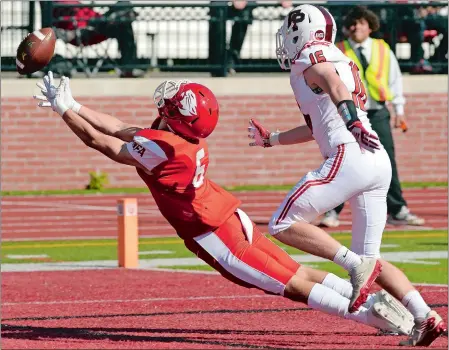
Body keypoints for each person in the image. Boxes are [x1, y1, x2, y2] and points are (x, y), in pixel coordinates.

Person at [33, 74, 413, 337]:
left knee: (292, 285)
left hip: (212, 234)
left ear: (180, 120)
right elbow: (120, 129)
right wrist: (74, 104)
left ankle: (371, 317)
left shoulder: (165, 146)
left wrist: (63, 111)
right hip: (230, 216)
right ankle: (374, 302)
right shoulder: (179, 139)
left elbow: (107, 144)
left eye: (172, 106)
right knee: (296, 270)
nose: (165, 104)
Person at [247, 4, 445, 347]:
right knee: (372, 258)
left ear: (301, 32)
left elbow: (332, 83)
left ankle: (355, 266)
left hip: (350, 153)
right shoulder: (334, 54)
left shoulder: (313, 55)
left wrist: (351, 120)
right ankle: (425, 315)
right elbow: (317, 125)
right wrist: (273, 139)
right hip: (375, 159)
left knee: (282, 223)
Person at [320, 5, 425, 229]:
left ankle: (397, 208)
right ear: (347, 29)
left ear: (370, 27)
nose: (356, 27)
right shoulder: (337, 50)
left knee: (387, 160)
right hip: (349, 113)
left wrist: (399, 110)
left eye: (361, 23)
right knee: (343, 160)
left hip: (377, 111)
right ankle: (332, 209)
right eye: (352, 24)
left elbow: (394, 79)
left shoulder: (382, 49)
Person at [40, 0, 144, 78]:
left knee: (124, 23)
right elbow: (64, 17)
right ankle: (129, 68)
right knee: (123, 12)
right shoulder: (56, 4)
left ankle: (128, 69)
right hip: (85, 30)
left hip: (97, 24)